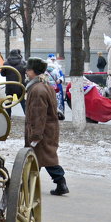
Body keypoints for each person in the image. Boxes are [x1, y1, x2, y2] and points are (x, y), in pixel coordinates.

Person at [22, 57, 68, 196]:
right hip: (47, 129)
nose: (26, 72)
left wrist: (36, 135)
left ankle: (60, 183)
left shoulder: (37, 90)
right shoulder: (45, 85)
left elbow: (38, 114)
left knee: (45, 158)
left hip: (42, 130)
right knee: (41, 157)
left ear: (33, 72)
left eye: (28, 70)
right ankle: (29, 184)